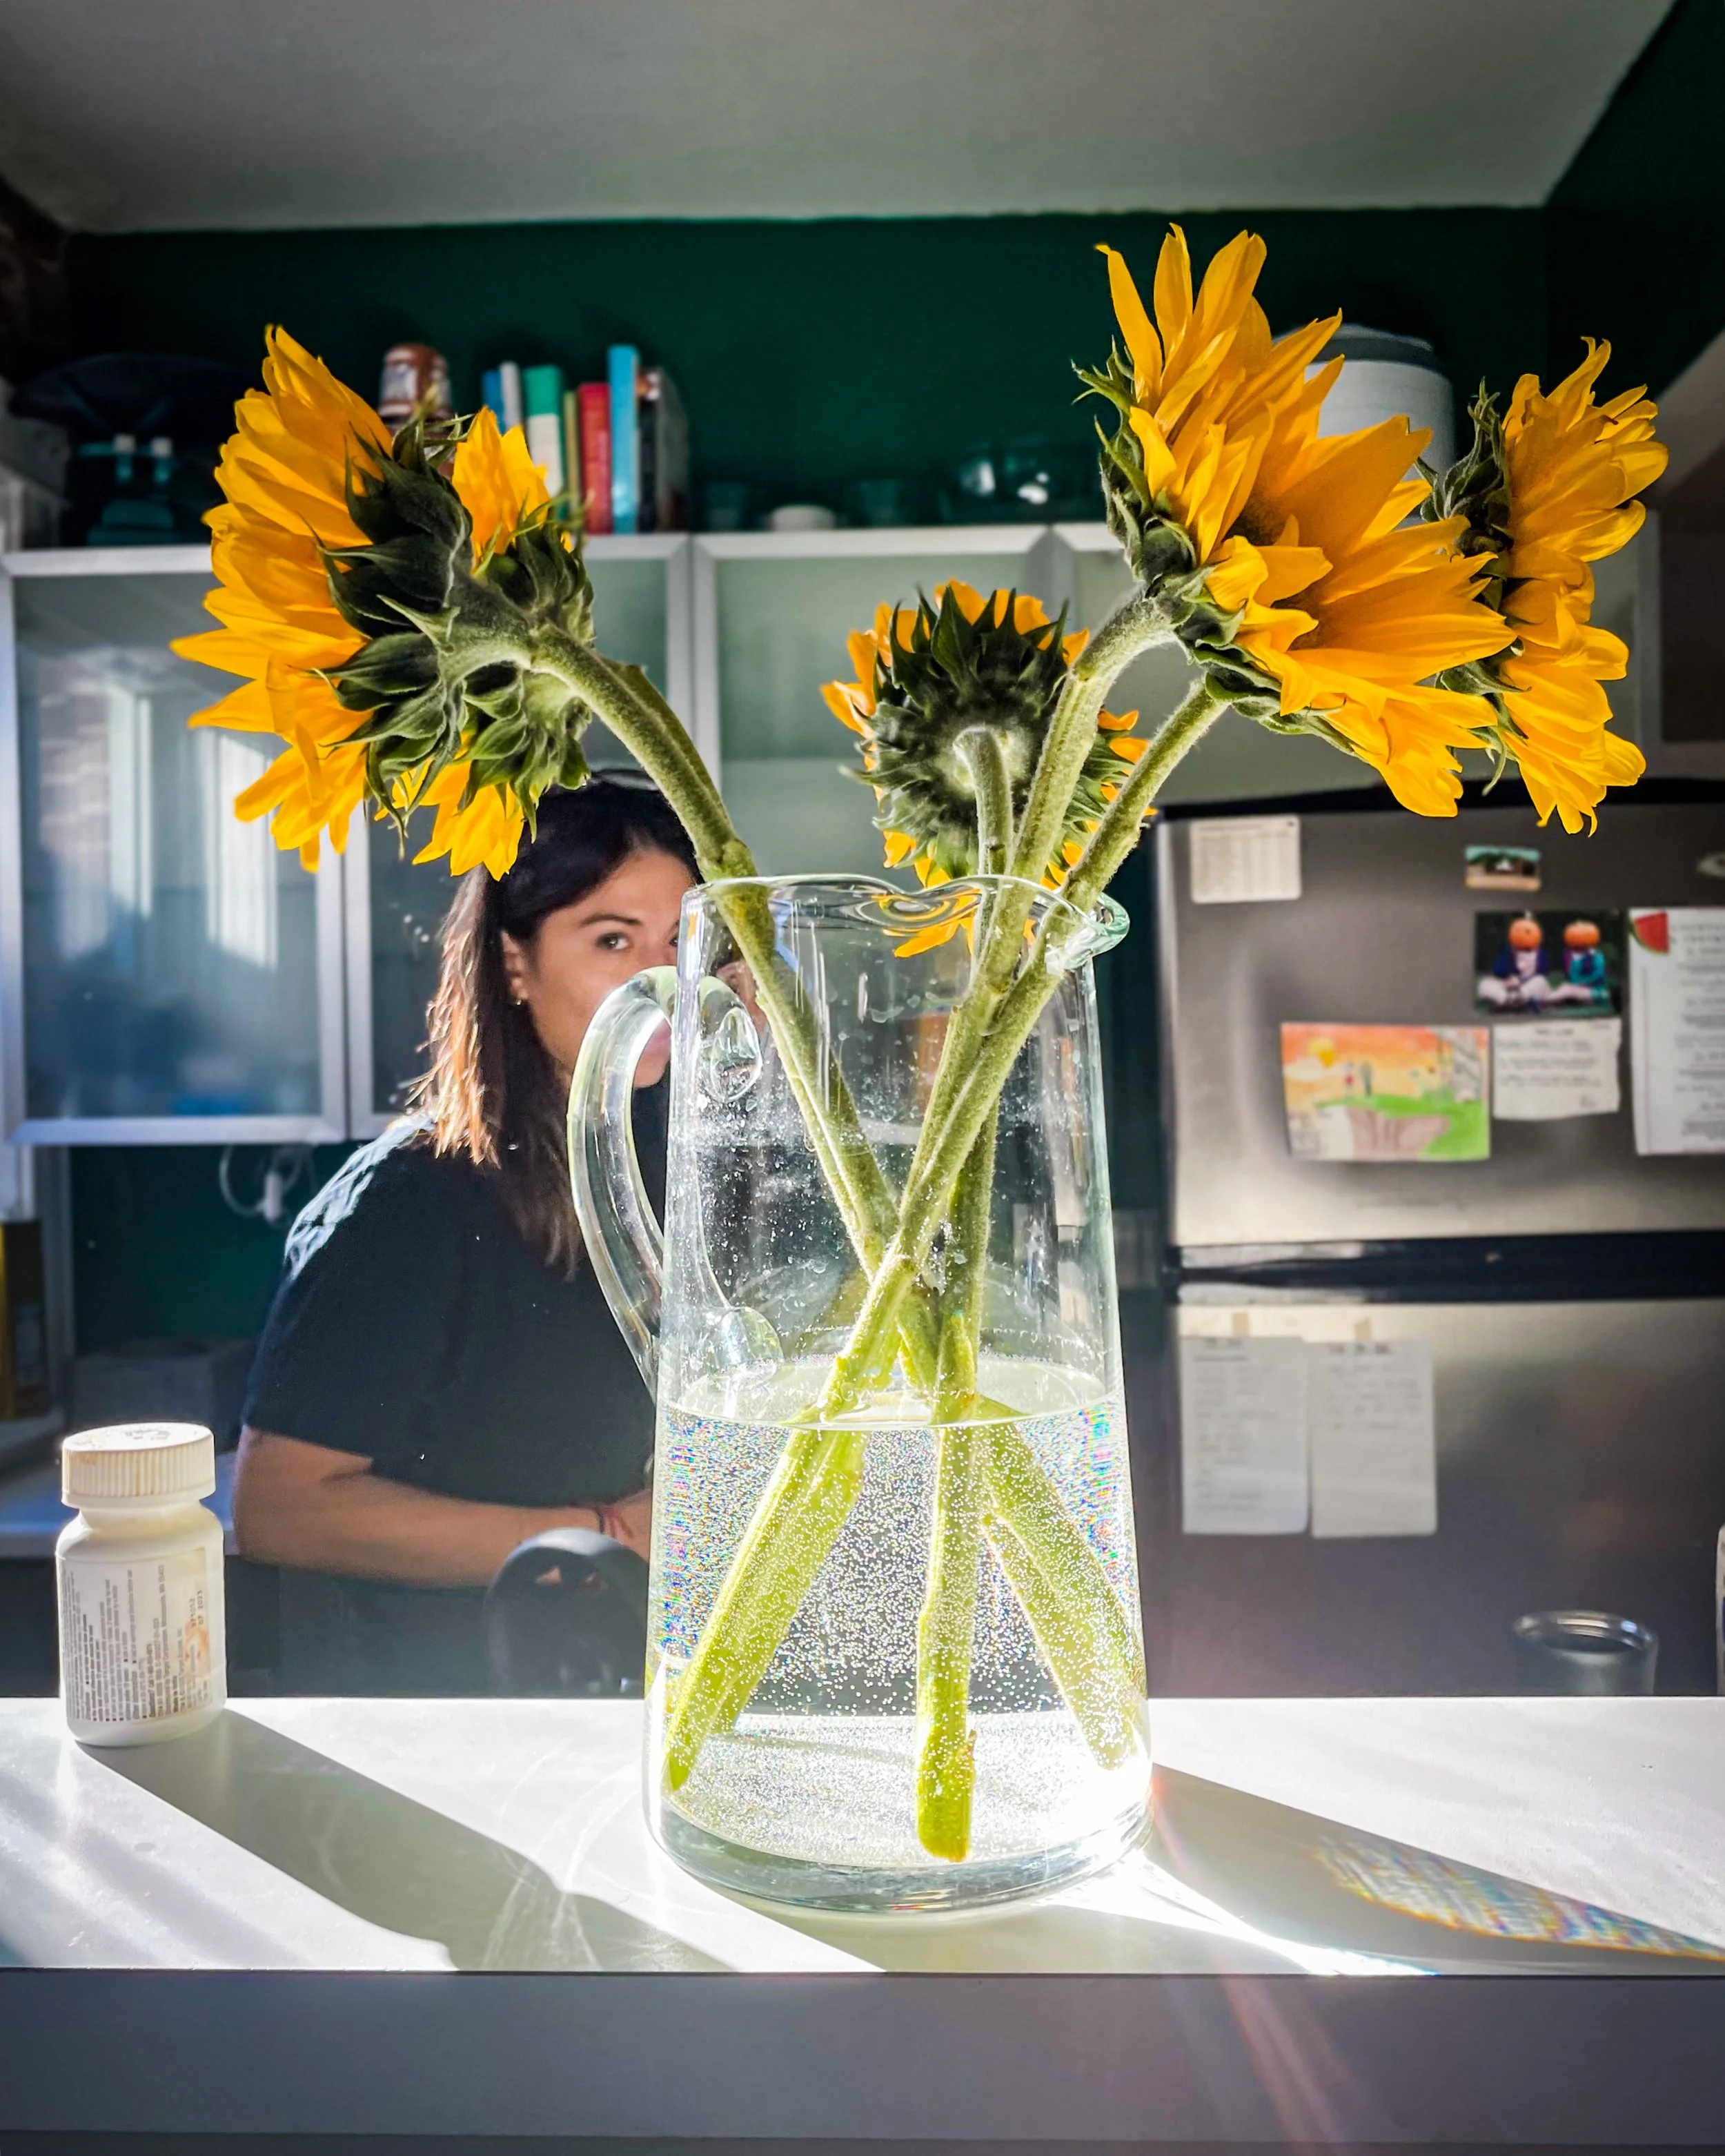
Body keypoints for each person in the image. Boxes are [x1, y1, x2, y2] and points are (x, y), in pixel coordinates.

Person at [234, 777, 697, 1692]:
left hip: (602, 1694)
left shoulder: (667, 1157)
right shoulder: (412, 1198)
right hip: (439, 1716)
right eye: (612, 939)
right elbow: (275, 1509)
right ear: (514, 965)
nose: (660, 980)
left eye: (682, 941)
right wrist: (609, 1534)